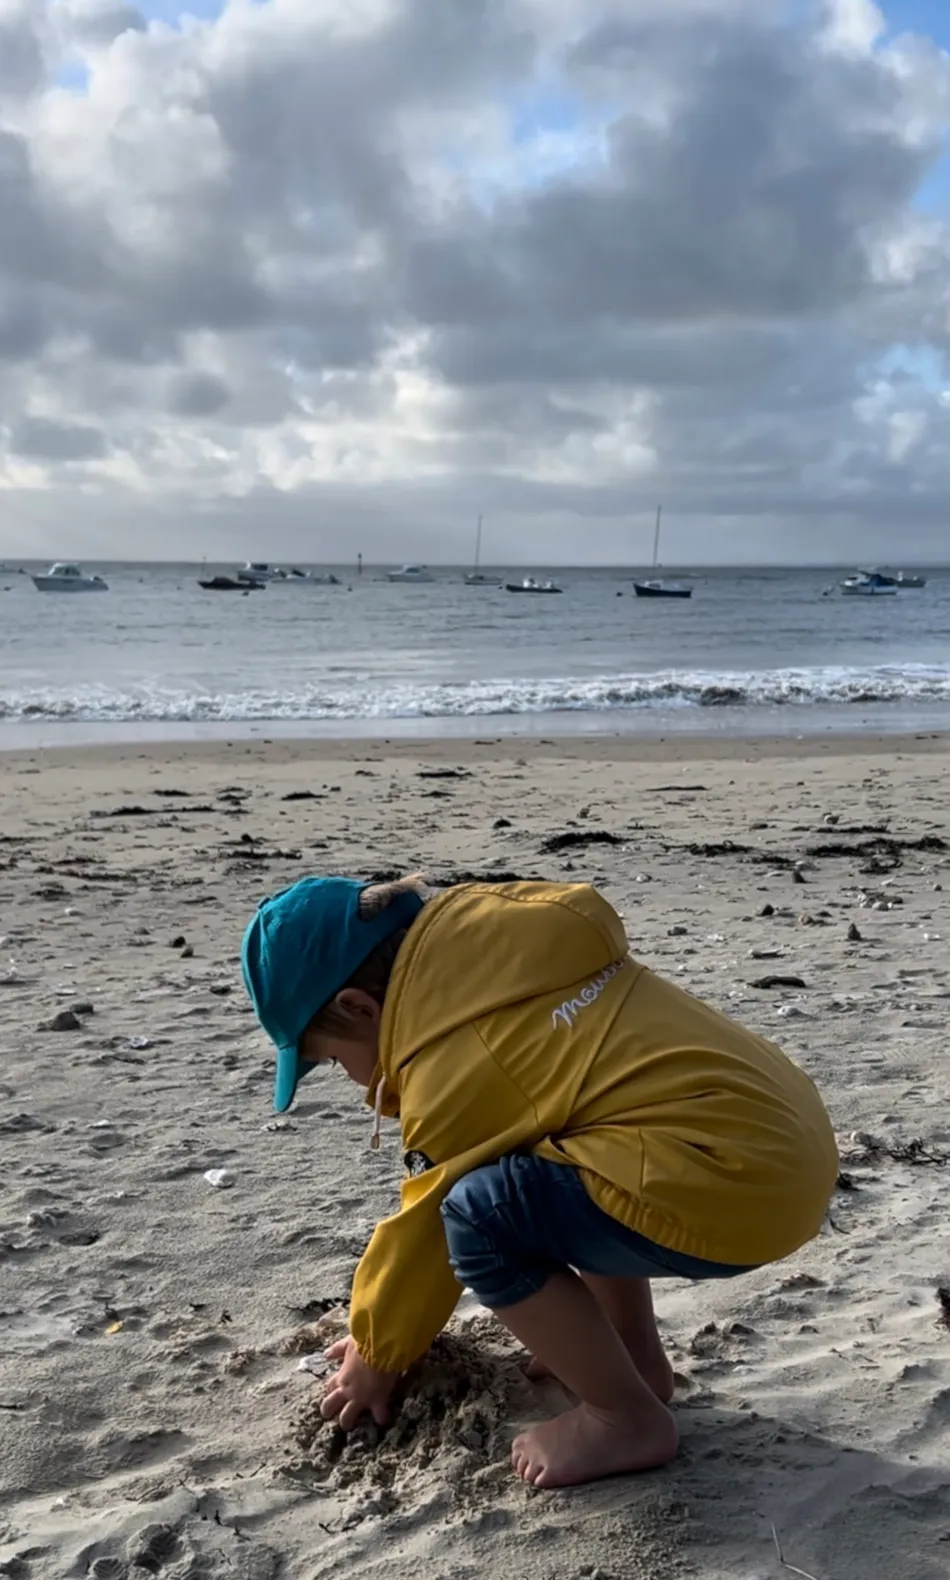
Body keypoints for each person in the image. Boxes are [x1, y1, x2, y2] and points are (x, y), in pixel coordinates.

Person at [241, 874, 838, 1489]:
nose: (349, 1078)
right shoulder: (510, 961)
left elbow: (422, 1233)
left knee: (478, 1216)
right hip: (785, 1148)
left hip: (733, 1187)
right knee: (561, 1144)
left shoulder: (458, 1053)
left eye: (333, 1060)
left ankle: (623, 1417)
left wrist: (375, 1354)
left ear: (359, 1008)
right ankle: (634, 1359)